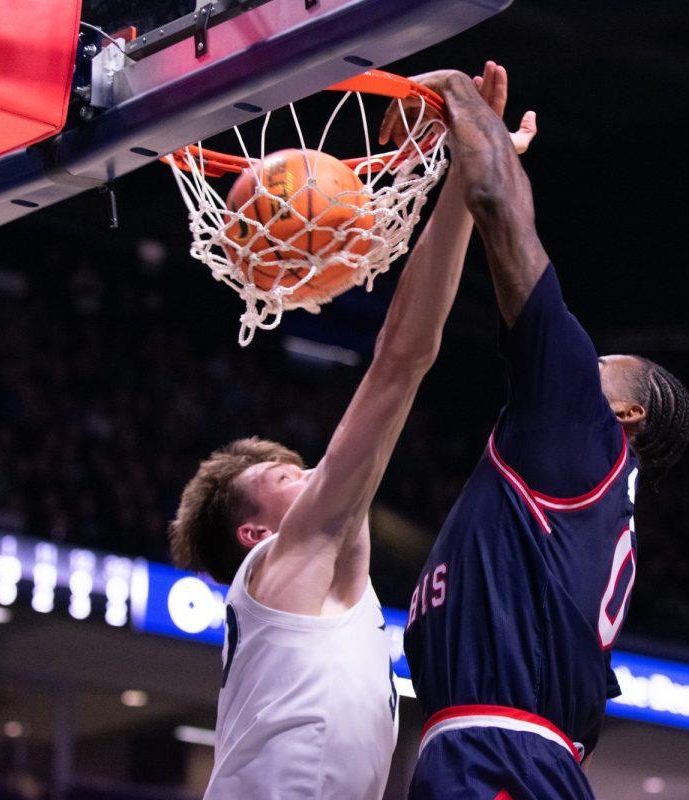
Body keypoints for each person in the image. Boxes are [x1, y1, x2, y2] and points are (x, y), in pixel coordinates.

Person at [166, 67, 536, 800]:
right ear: (255, 537)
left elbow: (407, 361)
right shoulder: (284, 565)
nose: (315, 478)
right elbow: (402, 361)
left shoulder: (325, 589)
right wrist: (470, 180)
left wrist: (469, 178)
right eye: (289, 480)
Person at [402, 64, 689, 799]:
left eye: (601, 364)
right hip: (512, 754)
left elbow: (504, 209)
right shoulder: (585, 489)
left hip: (500, 752)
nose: (578, 361)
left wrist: (464, 107)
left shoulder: (581, 435)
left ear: (627, 415)